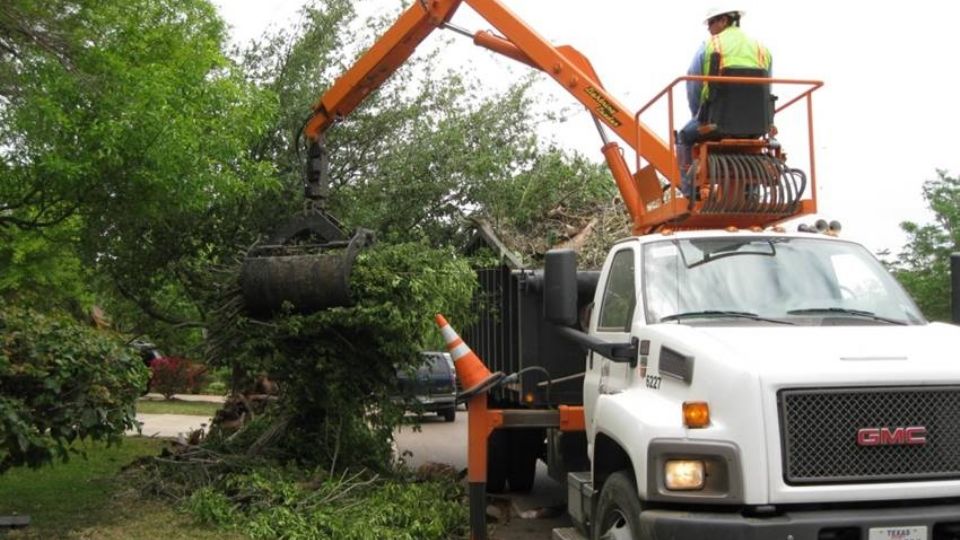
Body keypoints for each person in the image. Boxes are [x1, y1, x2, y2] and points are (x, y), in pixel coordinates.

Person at [677, 7, 772, 197]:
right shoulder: (762, 48)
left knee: (684, 137)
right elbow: (766, 89)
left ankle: (690, 193)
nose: (709, 29)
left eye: (711, 23)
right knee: (749, 142)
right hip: (756, 125)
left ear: (724, 20)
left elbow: (694, 85)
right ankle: (750, 193)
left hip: (715, 122)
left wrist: (699, 117)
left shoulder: (710, 45)